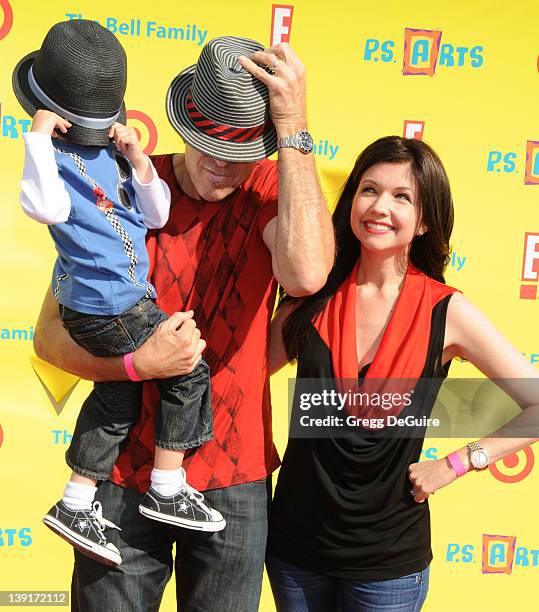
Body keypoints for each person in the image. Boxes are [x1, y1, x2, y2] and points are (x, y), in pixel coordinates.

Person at [33, 35, 334, 611]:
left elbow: (306, 275)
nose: (222, 160)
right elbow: (50, 336)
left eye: (241, 144)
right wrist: (134, 365)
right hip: (119, 479)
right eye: (210, 139)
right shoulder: (121, 184)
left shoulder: (272, 192)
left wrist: (293, 124)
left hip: (234, 475)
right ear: (185, 122)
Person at [266, 136, 539, 611]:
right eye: (369, 189)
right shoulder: (311, 294)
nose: (380, 207)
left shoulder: (446, 310)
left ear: (425, 220)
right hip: (295, 553)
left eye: (402, 197)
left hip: (388, 565)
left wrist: (457, 464)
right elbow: (239, 375)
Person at [13, 19, 226, 568]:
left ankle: (76, 501)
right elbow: (47, 209)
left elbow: (156, 214)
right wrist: (37, 139)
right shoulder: (53, 162)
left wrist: (136, 160)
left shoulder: (111, 154)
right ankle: (167, 484)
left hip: (123, 300)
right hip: (104, 307)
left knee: (117, 397)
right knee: (188, 369)